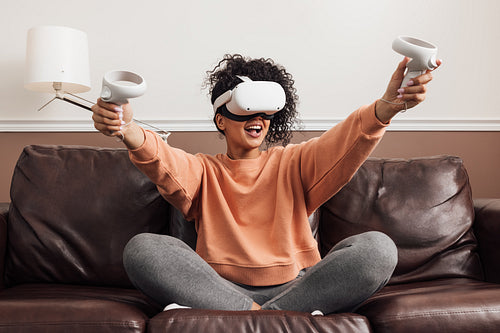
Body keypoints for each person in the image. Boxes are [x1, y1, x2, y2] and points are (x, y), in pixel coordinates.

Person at [91, 54, 440, 314]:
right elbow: (163, 160)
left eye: (265, 113)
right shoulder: (203, 172)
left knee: (379, 248)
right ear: (221, 119)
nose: (259, 118)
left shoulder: (294, 162)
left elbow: (346, 141)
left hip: (301, 286)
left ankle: (254, 319)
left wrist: (387, 107)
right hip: (218, 287)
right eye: (247, 109)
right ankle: (273, 318)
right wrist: (128, 130)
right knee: (142, 248)